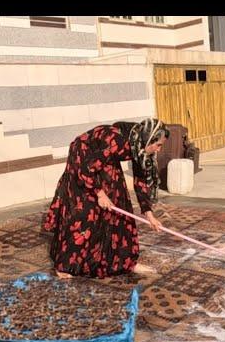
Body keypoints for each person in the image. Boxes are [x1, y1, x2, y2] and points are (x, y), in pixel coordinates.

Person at [43, 118, 169, 279]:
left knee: (120, 207)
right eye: (158, 145)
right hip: (83, 158)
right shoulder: (117, 142)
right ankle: (65, 265)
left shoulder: (140, 146)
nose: (159, 149)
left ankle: (127, 262)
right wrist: (100, 193)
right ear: (148, 139)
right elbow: (87, 168)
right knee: (85, 211)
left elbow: (140, 179)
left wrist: (149, 214)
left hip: (104, 159)